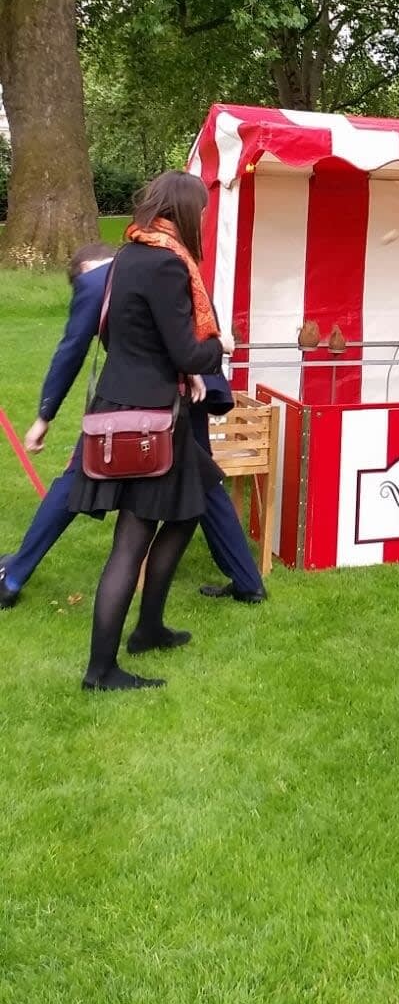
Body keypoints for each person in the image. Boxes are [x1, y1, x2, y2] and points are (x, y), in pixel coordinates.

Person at [0, 246, 266, 610]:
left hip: (148, 398)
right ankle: (248, 583)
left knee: (78, 477)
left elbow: (72, 350)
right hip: (196, 387)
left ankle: (13, 577)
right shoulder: (173, 266)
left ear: (88, 269)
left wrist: (45, 416)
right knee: (204, 483)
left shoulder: (97, 282)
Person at [67, 171, 227, 692]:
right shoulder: (167, 262)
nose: (203, 219)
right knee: (132, 539)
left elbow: (119, 333)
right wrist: (218, 348)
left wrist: (181, 368)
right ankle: (101, 670)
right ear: (185, 211)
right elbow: (188, 350)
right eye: (201, 210)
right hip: (150, 416)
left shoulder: (132, 253)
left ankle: (150, 626)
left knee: (196, 496)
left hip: (130, 402)